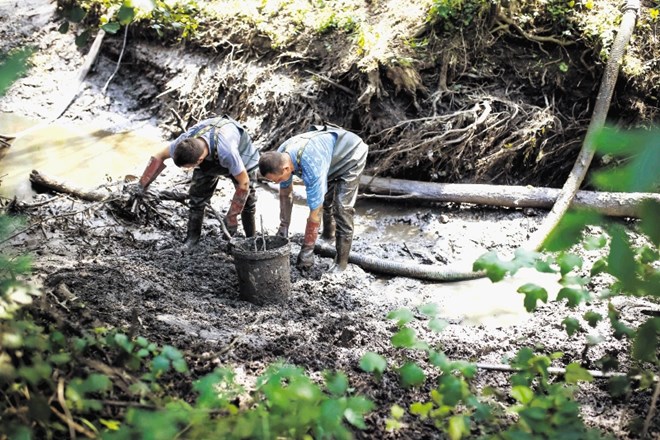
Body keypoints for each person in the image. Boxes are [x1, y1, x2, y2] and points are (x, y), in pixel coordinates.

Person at [137, 115, 260, 250]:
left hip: (243, 156)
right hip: (211, 156)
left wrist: (232, 215)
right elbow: (159, 156)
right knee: (196, 198)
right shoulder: (185, 142)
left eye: (188, 167)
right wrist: (141, 186)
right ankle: (192, 239)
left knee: (248, 202)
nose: (188, 170)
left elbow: (244, 183)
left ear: (199, 159)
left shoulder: (227, 152)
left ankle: (251, 240)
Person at [258, 124, 368, 272]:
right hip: (327, 157)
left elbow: (315, 211)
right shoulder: (281, 155)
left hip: (351, 155)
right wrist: (284, 226)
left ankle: (341, 263)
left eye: (276, 180)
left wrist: (307, 250)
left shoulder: (311, 166)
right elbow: (286, 192)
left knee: (342, 208)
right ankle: (328, 236)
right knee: (327, 199)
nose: (276, 183)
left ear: (286, 169)